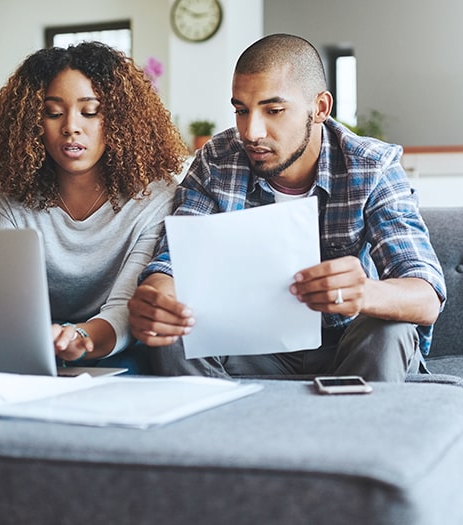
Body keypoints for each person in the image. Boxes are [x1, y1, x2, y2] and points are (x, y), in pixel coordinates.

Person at [128, 34, 446, 382]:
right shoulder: (217, 161)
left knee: (391, 328)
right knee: (175, 331)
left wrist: (365, 292)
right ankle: (217, 419)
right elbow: (174, 261)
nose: (252, 132)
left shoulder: (371, 166)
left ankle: (355, 419)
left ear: (320, 108)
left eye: (274, 110)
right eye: (241, 111)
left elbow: (425, 295)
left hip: (348, 345)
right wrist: (159, 296)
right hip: (252, 345)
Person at [0, 41, 188, 373]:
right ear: (32, 122)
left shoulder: (154, 197)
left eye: (90, 112)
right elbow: (8, 304)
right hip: (34, 344)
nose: (71, 126)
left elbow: (126, 307)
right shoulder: (7, 198)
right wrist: (49, 341)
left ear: (119, 120)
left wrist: (79, 339)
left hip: (116, 344)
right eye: (53, 113)